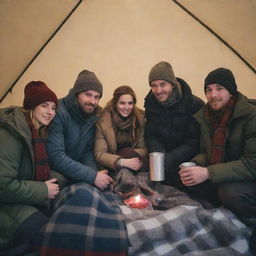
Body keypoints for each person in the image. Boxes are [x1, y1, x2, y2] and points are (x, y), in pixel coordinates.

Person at [179, 67, 256, 254]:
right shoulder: (208, 116)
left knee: (228, 192)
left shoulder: (251, 116)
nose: (213, 95)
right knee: (186, 179)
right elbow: (209, 152)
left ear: (231, 91)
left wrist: (208, 173)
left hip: (249, 177)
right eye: (208, 89)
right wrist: (195, 164)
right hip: (227, 171)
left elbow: (252, 163)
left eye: (219, 88)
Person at [0, 81, 59, 254]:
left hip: (15, 196)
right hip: (4, 204)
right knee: (43, 230)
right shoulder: (11, 135)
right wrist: (42, 190)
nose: (50, 112)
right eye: (44, 106)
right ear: (31, 107)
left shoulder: (37, 131)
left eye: (53, 107)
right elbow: (2, 185)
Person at [46, 70, 112, 191]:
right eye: (88, 94)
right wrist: (92, 176)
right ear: (77, 93)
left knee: (97, 186)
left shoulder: (92, 116)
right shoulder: (59, 112)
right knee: (60, 182)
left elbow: (87, 152)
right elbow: (55, 156)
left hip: (75, 167)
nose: (92, 101)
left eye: (96, 97)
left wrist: (95, 173)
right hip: (54, 169)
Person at [144, 61, 204, 189]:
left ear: (172, 84)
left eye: (162, 84)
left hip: (187, 162)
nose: (158, 90)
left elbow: (194, 142)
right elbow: (151, 135)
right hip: (162, 160)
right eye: (154, 86)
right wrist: (159, 155)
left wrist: (169, 159)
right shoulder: (150, 104)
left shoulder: (194, 105)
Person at [94, 85, 148, 195]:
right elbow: (99, 154)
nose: (126, 107)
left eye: (130, 103)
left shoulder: (140, 118)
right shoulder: (103, 121)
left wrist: (131, 158)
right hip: (113, 165)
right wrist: (122, 161)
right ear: (115, 103)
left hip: (135, 162)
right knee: (126, 171)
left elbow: (144, 148)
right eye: (122, 103)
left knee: (146, 177)